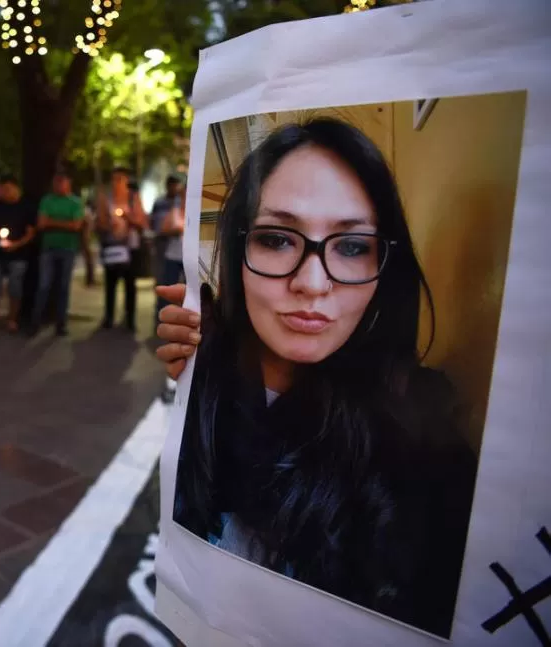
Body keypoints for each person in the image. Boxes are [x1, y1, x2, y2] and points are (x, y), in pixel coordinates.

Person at [155, 118, 476, 638]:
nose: (311, 283)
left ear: (383, 264)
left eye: (351, 246)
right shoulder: (200, 375)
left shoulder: (424, 444)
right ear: (238, 255)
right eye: (277, 239)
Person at [29, 169, 85, 337]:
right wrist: (65, 223)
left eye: (62, 182)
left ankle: (61, 323)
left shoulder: (75, 202)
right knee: (44, 285)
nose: (59, 185)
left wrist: (52, 222)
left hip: (68, 248)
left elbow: (76, 226)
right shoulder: (47, 200)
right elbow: (41, 224)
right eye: (56, 182)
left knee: (63, 286)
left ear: (68, 183)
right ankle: (35, 321)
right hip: (49, 248)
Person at [96, 167, 146, 332]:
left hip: (130, 248)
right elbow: (100, 222)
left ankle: (130, 319)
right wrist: (110, 225)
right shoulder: (106, 199)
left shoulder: (133, 198)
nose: (116, 183)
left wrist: (127, 218)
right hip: (112, 247)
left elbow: (142, 223)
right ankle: (109, 316)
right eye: (113, 179)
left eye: (120, 179)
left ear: (126, 181)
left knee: (130, 284)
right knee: (110, 283)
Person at [0, 175, 35, 333]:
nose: (4, 193)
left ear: (15, 188)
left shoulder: (26, 207)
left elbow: (31, 232)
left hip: (19, 255)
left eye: (7, 189)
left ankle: (12, 319)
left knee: (15, 287)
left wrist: (16, 244)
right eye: (2, 190)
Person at [150, 175, 185, 321]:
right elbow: (161, 229)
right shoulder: (174, 209)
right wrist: (176, 231)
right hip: (172, 254)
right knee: (167, 286)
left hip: (188, 256)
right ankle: (162, 317)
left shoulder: (198, 211)